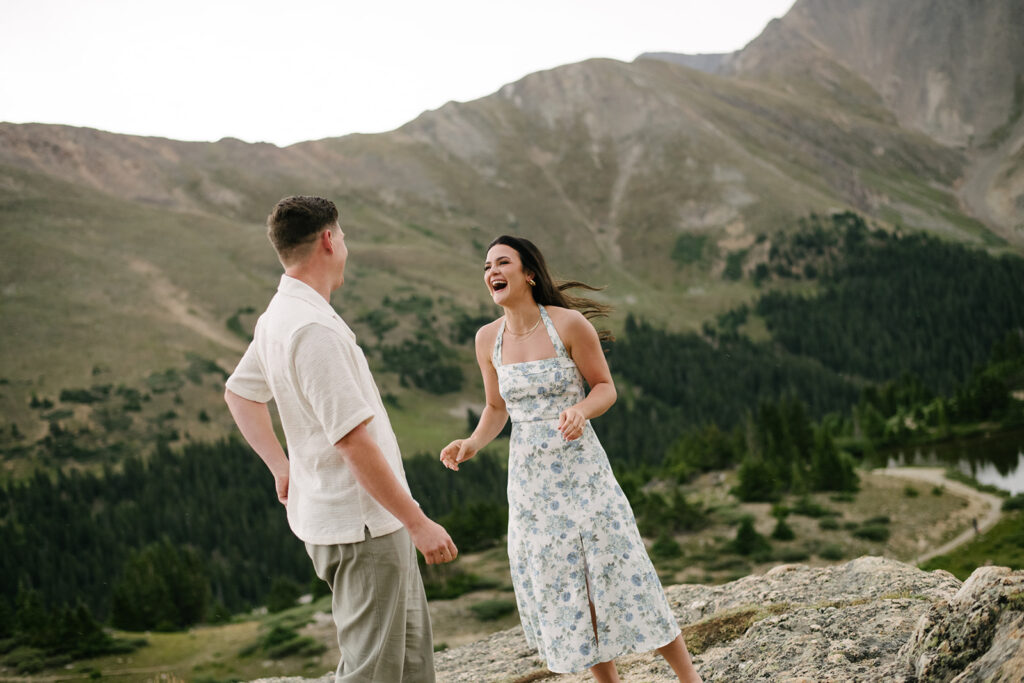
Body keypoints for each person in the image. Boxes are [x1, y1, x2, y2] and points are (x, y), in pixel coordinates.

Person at [439, 236, 703, 683]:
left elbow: (604, 386)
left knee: (620, 563)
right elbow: (496, 408)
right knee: (565, 581)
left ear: (529, 274)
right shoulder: (488, 339)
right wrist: (472, 443)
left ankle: (689, 678)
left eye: (502, 262)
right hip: (529, 480)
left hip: (581, 468)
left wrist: (580, 410)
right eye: (486, 266)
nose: (491, 272)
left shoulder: (568, 324)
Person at [224, 195, 457, 683]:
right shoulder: (311, 330)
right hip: (364, 527)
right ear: (329, 240)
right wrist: (418, 524)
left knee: (412, 665)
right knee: (371, 672)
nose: (345, 246)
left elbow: (240, 394)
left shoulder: (279, 315)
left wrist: (282, 467)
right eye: (343, 237)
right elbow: (353, 443)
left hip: (359, 520)